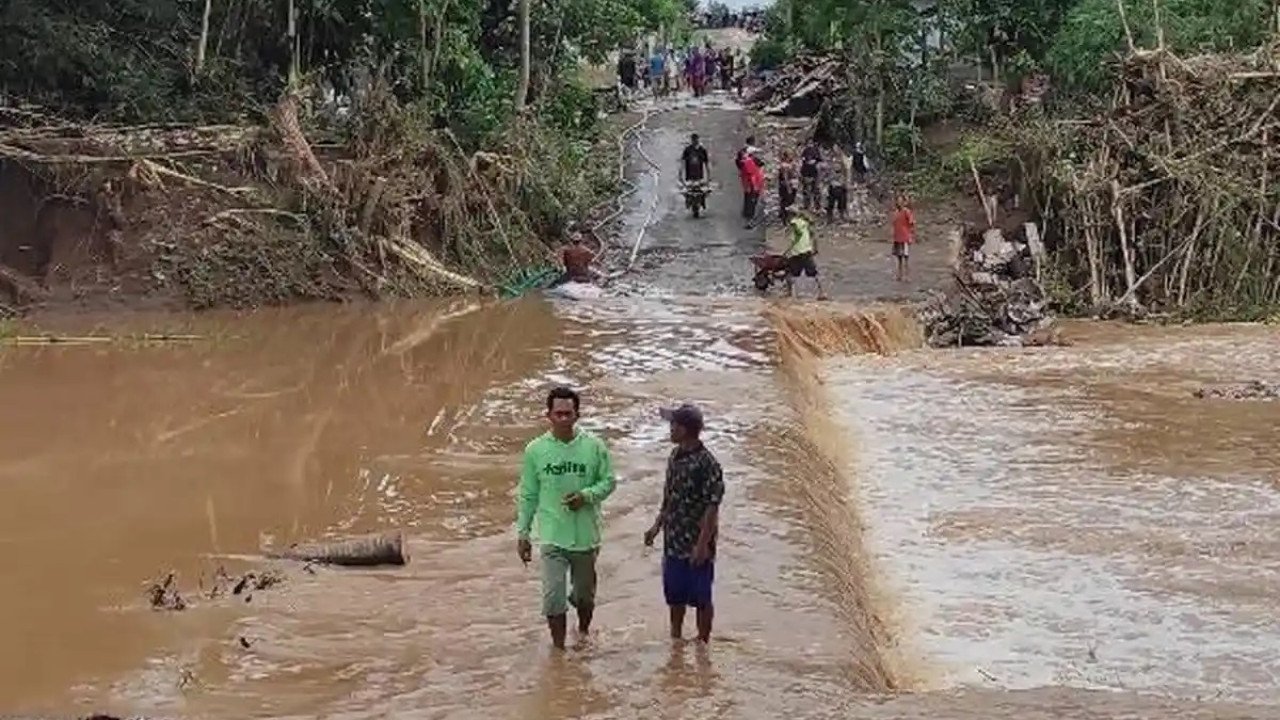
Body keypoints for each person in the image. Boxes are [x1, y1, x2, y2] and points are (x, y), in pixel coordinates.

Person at [517, 386, 617, 650]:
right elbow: (528, 494)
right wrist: (523, 533)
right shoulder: (535, 450)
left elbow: (609, 482)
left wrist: (586, 496)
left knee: (585, 597)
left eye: (568, 414)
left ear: (577, 415)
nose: (563, 419)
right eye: (558, 414)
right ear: (548, 415)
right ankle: (559, 650)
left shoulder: (594, 447)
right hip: (552, 536)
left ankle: (583, 633)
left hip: (586, 536)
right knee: (553, 598)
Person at [645, 404, 724, 643]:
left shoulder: (708, 464)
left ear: (685, 429)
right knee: (675, 595)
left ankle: (703, 643)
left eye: (673, 425)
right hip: (673, 540)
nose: (670, 429)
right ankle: (676, 640)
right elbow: (669, 496)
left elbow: (712, 507)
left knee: (701, 597)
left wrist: (702, 545)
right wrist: (657, 526)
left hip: (696, 542)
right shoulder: (675, 456)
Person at [783, 207, 827, 300]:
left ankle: (789, 292)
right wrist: (815, 248)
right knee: (814, 273)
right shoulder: (806, 223)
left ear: (790, 215)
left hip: (797, 252)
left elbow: (795, 239)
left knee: (789, 272)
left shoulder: (793, 223)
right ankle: (821, 292)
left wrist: (787, 251)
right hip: (807, 251)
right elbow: (814, 236)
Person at [891, 194, 916, 282]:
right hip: (897, 238)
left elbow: (912, 223)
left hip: (905, 237)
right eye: (898, 201)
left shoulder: (906, 212)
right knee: (899, 258)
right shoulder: (896, 212)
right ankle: (899, 275)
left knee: (906, 258)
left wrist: (911, 235)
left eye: (900, 201)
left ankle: (907, 276)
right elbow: (894, 225)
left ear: (904, 202)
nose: (899, 203)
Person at [825, 144, 852, 223]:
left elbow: (847, 171)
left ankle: (841, 216)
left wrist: (846, 183)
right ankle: (830, 217)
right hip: (833, 184)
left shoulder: (843, 159)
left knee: (842, 201)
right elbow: (828, 171)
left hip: (840, 184)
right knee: (831, 202)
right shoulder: (831, 159)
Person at [739, 150, 765, 228]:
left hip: (751, 187)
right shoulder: (750, 164)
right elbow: (751, 177)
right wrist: (755, 187)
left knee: (750, 202)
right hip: (751, 187)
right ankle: (749, 221)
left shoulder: (751, 163)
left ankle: (749, 218)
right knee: (751, 203)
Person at [799, 139, 823, 212]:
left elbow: (820, 160)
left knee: (816, 189)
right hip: (806, 171)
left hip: (814, 172)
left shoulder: (816, 150)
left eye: (811, 143)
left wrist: (815, 163)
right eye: (808, 143)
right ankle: (806, 206)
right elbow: (802, 160)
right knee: (806, 190)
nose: (810, 144)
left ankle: (817, 206)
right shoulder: (805, 151)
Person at [777, 150, 798, 222]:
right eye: (790, 155)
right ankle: (785, 217)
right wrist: (788, 187)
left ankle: (784, 215)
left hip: (792, 185)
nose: (792, 157)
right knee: (787, 201)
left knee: (789, 200)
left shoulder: (790, 164)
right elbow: (785, 177)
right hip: (786, 186)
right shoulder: (784, 166)